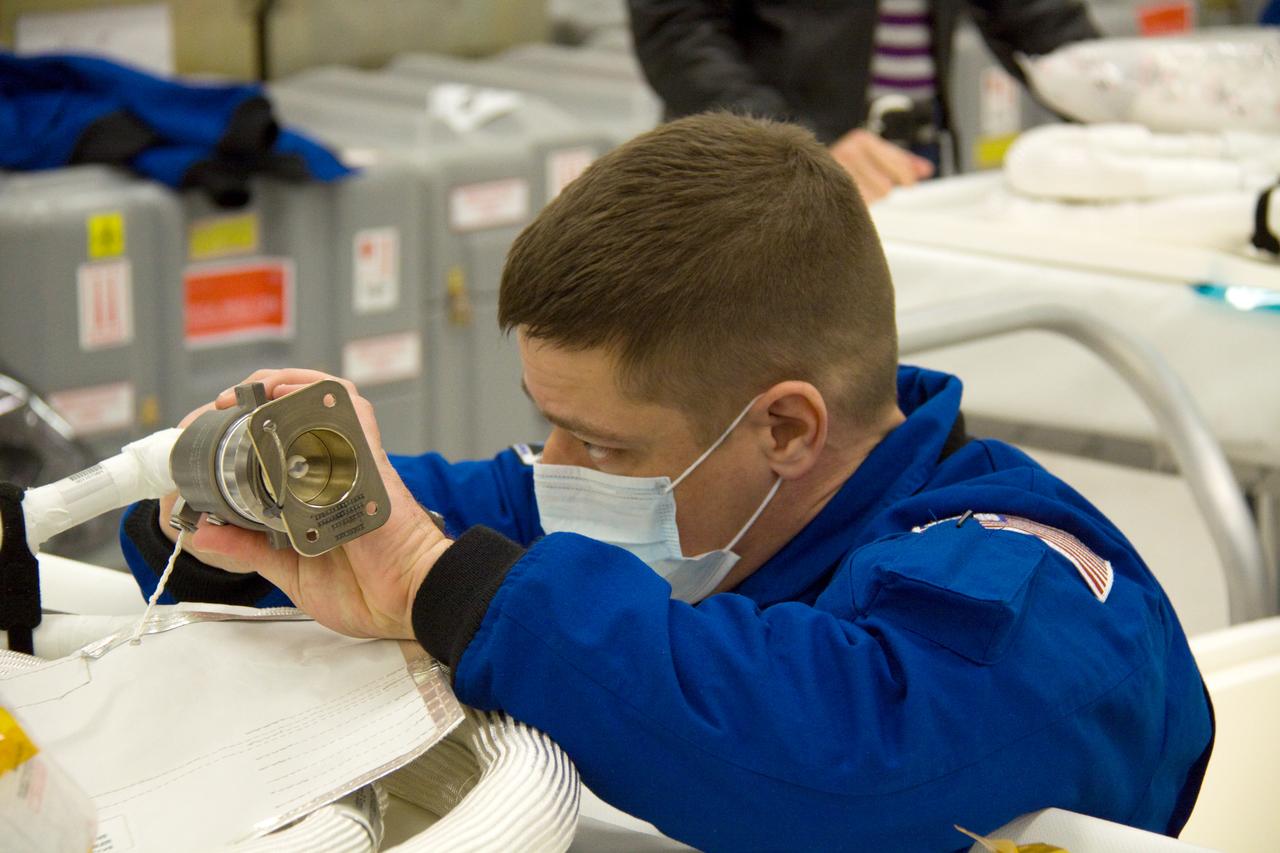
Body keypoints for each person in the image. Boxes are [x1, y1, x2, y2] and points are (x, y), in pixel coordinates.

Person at [121, 113, 1212, 852]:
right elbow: (440, 525)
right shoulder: (705, 504)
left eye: (595, 444)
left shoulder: (1030, 597)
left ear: (782, 427)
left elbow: (845, 755)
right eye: (544, 426)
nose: (555, 472)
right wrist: (236, 510)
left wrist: (426, 578)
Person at [627, 0, 1099, 201]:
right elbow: (677, 32)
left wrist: (1123, 101)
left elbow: (1042, 20)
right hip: (761, 168)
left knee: (901, 372)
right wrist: (803, 143)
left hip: (905, 162)